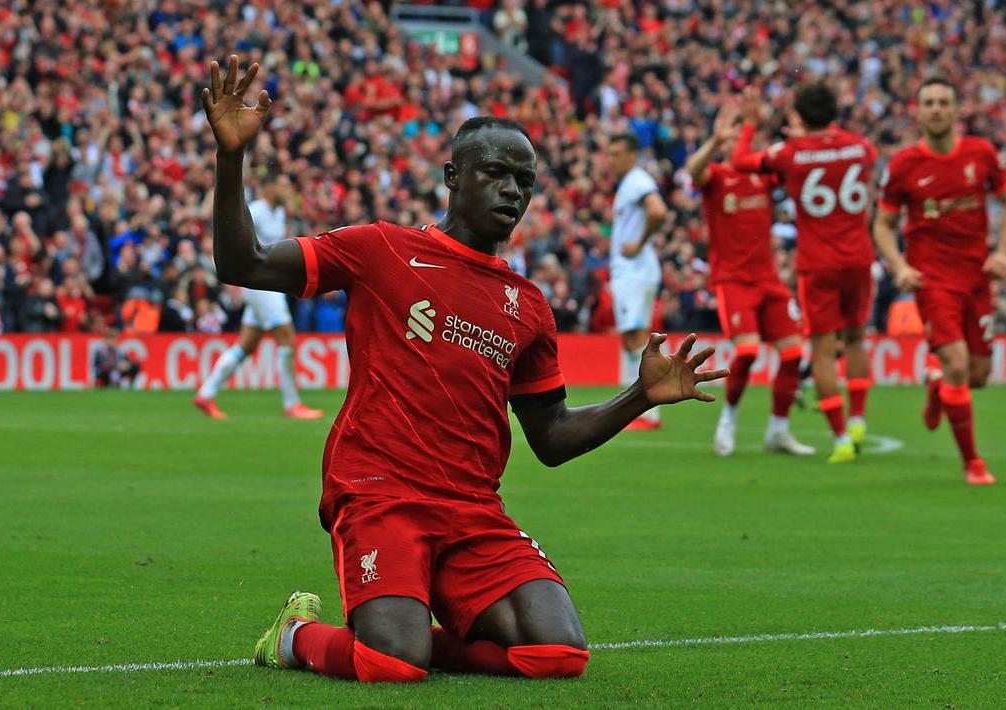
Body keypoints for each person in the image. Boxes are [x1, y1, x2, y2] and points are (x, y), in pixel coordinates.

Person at [202, 55, 727, 683]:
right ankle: (295, 637)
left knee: (558, 655)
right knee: (390, 664)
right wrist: (231, 157)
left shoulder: (528, 305)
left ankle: (415, 633)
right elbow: (244, 263)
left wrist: (638, 395)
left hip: (472, 507)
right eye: (496, 174)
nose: (513, 191)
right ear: (453, 176)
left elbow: (552, 437)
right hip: (379, 490)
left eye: (524, 181)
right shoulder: (382, 249)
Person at [872, 77, 1006, 485]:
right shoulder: (904, 165)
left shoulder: (981, 153)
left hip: (976, 277)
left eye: (943, 102)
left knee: (978, 375)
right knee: (957, 363)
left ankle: (937, 384)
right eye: (929, 103)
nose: (936, 109)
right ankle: (973, 463)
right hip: (932, 279)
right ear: (918, 112)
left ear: (956, 110)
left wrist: (1003, 252)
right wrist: (899, 266)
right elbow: (883, 224)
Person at [732, 84, 876, 464]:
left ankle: (841, 438)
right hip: (859, 258)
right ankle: (859, 419)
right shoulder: (862, 147)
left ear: (799, 115)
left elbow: (740, 160)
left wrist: (750, 124)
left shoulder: (791, 153)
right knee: (856, 337)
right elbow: (838, 154)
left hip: (818, 263)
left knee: (823, 350)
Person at [684, 106, 814, 457]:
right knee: (748, 351)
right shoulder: (716, 175)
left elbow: (797, 168)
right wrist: (714, 141)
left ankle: (778, 431)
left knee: (793, 353)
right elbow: (693, 170)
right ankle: (728, 418)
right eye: (736, 135)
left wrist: (801, 139)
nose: (742, 141)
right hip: (734, 280)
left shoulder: (764, 177)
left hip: (768, 279)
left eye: (747, 135)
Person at [193, 174, 323, 420]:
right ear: (269, 188)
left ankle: (206, 394)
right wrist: (229, 276)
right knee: (287, 337)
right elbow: (230, 238)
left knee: (247, 343)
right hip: (260, 285)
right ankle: (292, 404)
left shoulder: (280, 213)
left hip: (269, 284)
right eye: (283, 185)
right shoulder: (257, 211)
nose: (288, 190)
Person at [607, 133, 668, 431]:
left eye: (617, 153)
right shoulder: (628, 184)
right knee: (633, 339)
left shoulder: (637, 181)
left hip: (635, 270)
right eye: (610, 153)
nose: (611, 160)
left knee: (636, 340)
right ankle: (643, 409)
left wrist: (640, 243)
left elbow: (658, 210)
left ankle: (647, 412)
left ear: (632, 154)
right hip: (630, 271)